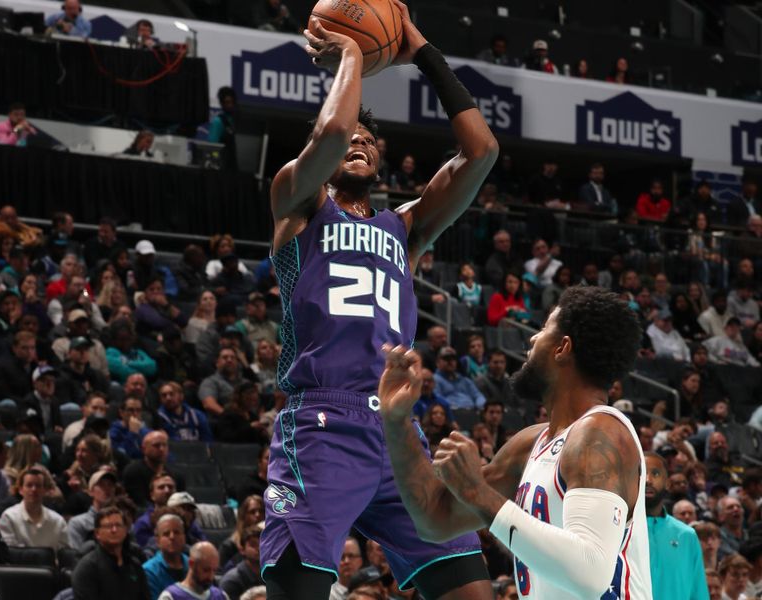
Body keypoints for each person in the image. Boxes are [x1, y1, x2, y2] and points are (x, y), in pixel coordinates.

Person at [261, 4, 499, 598]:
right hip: (321, 423)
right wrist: (351, 54)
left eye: (370, 140)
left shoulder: (406, 229)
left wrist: (419, 48)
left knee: (472, 590)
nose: (357, 143)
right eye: (351, 139)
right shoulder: (297, 202)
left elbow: (482, 151)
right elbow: (333, 131)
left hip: (397, 431)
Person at [379, 286, 652, 598]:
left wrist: (480, 495)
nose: (533, 339)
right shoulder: (530, 444)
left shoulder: (602, 432)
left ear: (562, 347)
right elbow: (434, 520)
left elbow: (590, 573)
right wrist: (397, 421)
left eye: (544, 329)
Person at [644, 452, 709, 599]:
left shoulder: (687, 535)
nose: (648, 480)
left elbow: (698, 592)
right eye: (641, 473)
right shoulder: (619, 529)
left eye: (655, 473)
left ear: (667, 483)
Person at [72, 506, 151, 600]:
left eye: (118, 525)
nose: (114, 530)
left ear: (126, 531)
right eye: (108, 526)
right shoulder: (87, 568)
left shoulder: (135, 565)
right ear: (97, 533)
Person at [0, 467, 69, 550]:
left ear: (45, 490)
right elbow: (9, 554)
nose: (34, 489)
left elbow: (64, 554)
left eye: (38, 486)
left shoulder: (58, 521)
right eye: (29, 485)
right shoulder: (9, 517)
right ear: (20, 490)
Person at [67, 468, 118, 551]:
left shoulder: (121, 522)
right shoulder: (78, 523)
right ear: (91, 492)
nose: (107, 488)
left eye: (110, 485)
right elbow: (75, 556)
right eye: (101, 485)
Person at [159, 541, 228, 600]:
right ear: (191, 564)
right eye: (206, 570)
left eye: (214, 570)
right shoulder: (170, 597)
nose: (211, 576)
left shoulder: (221, 596)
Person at [143, 513, 189, 600]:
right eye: (166, 534)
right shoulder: (148, 571)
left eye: (176, 532)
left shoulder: (193, 566)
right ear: (158, 540)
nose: (172, 537)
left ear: (184, 537)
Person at [220, 522, 264, 600]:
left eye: (262, 544)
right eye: (253, 545)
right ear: (242, 550)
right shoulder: (231, 581)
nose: (258, 548)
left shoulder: (270, 576)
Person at [208, 87, 239, 172]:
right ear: (222, 104)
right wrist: (216, 163)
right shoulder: (218, 121)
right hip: (221, 168)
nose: (230, 105)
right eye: (227, 102)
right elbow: (212, 146)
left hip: (232, 167)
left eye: (232, 102)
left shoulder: (234, 120)